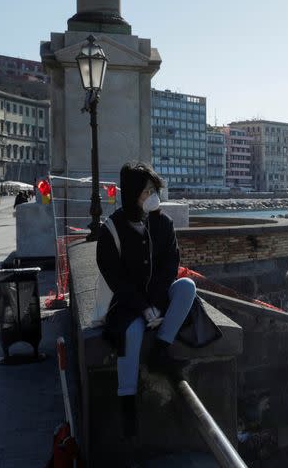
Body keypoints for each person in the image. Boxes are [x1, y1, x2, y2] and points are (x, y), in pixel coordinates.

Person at [96, 161, 196, 438]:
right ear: (132, 193)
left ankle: (161, 348)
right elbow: (114, 277)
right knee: (132, 330)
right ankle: (127, 399)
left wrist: (154, 302)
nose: (152, 195)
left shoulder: (163, 223)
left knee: (186, 287)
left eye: (154, 189)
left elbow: (170, 264)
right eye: (146, 190)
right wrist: (142, 307)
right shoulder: (111, 229)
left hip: (159, 299)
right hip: (126, 305)